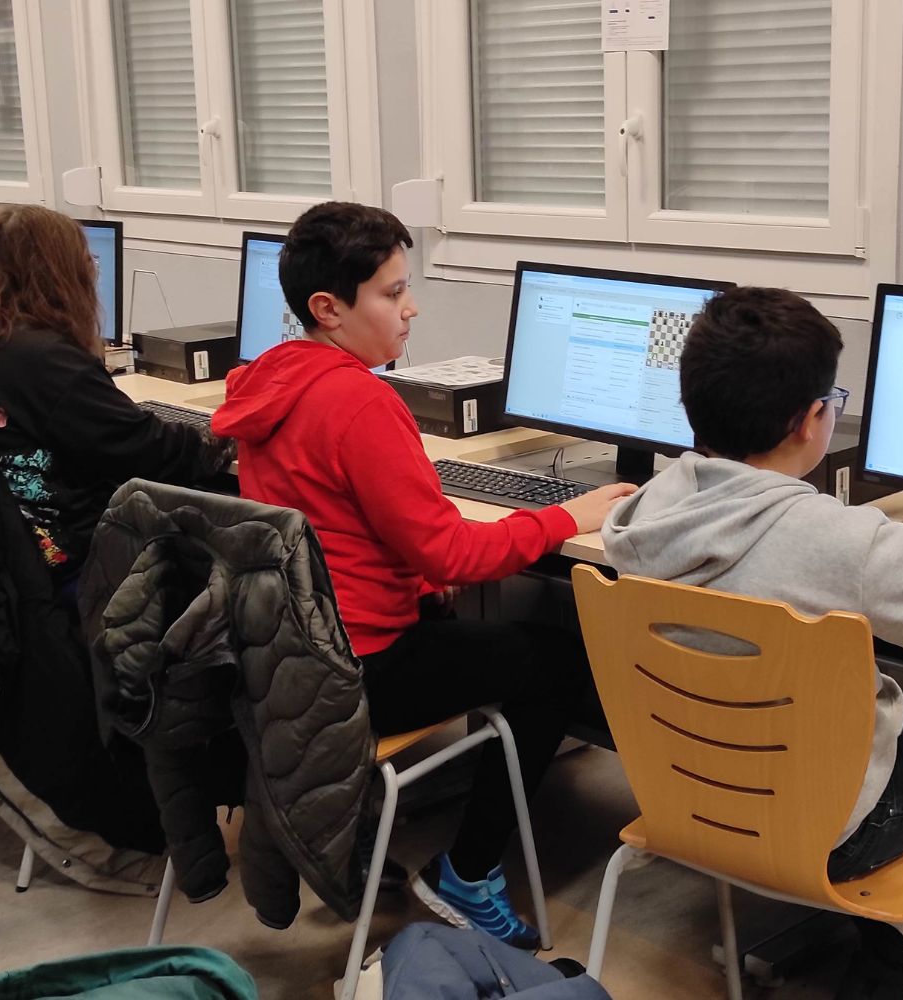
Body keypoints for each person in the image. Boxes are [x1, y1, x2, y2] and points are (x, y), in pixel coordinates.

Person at [600, 285, 903, 997]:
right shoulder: (846, 544)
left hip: (687, 797)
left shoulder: (644, 511)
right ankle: (893, 963)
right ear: (811, 421)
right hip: (825, 829)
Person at [210, 201, 634, 948]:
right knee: (558, 662)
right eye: (393, 292)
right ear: (328, 309)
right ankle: (469, 872)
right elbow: (452, 555)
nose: (412, 308)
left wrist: (422, 569)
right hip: (360, 669)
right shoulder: (360, 400)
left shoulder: (271, 378)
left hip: (292, 655)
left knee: (482, 623)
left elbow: (342, 527)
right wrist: (568, 516)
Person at [0, 204, 233, 586]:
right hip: (38, 565)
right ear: (63, 274)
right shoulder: (41, 358)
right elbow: (145, 449)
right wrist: (229, 432)